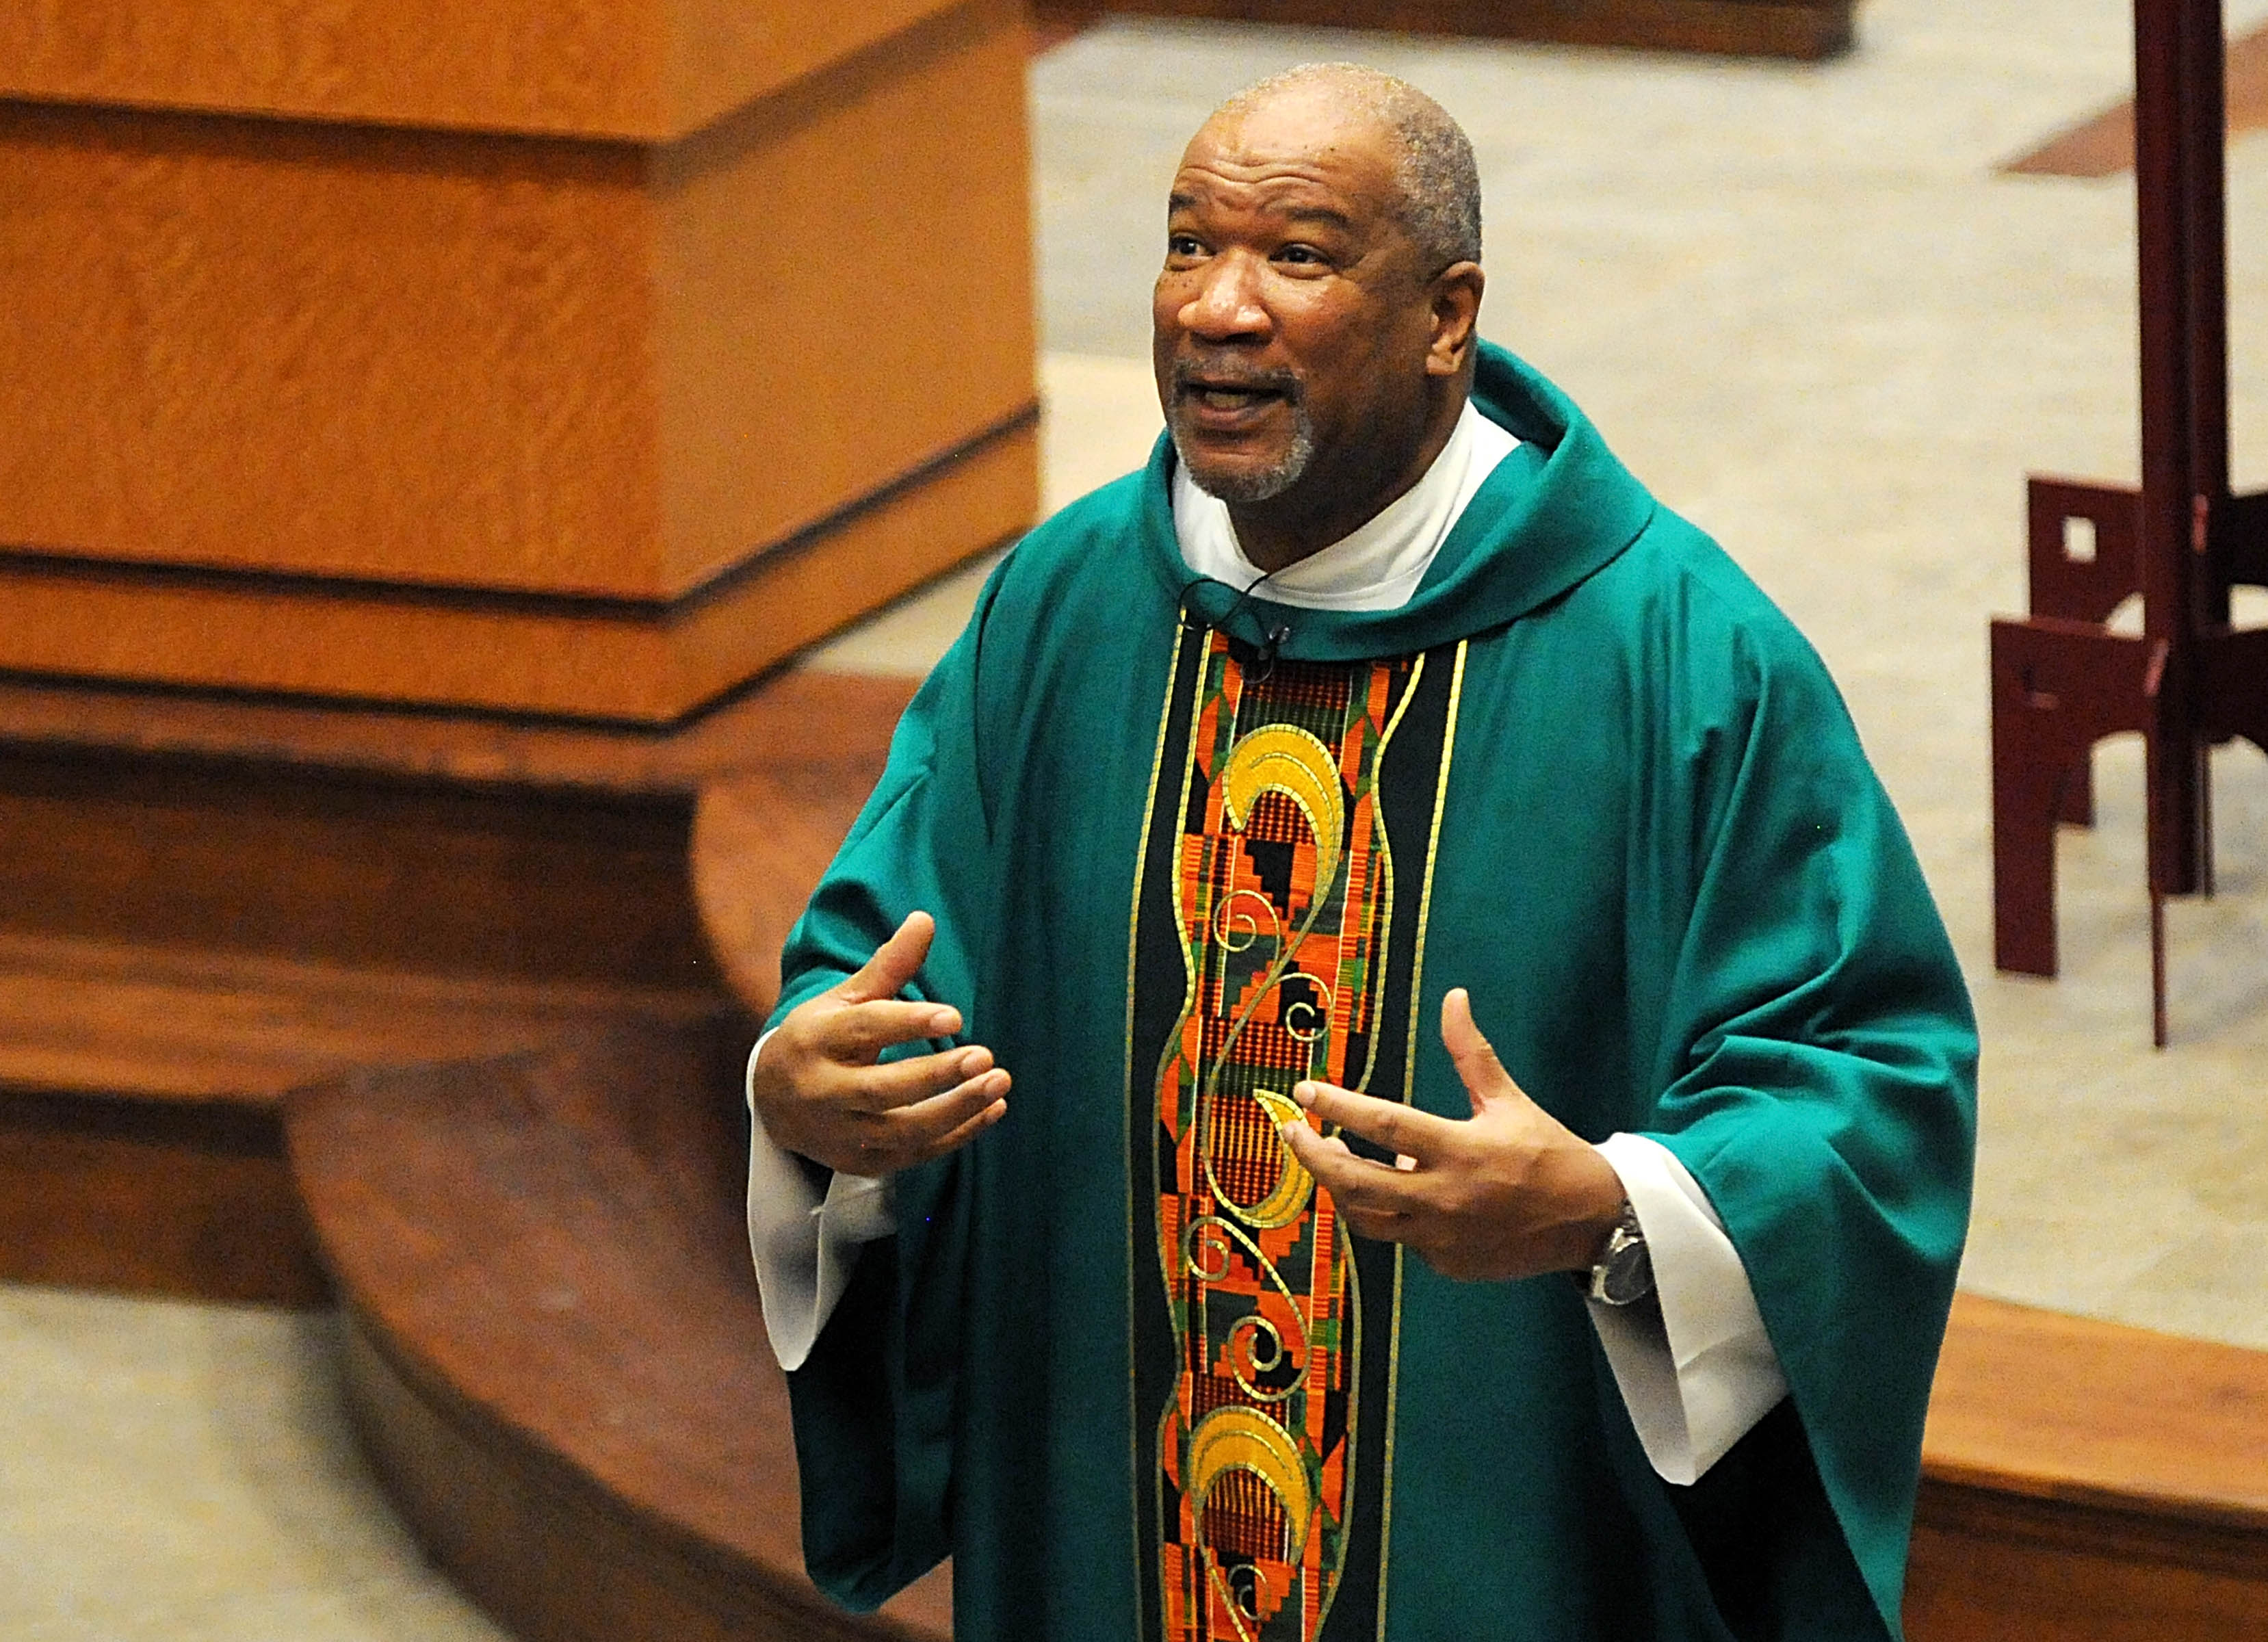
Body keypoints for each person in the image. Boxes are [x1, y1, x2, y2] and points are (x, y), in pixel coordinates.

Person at [745, 62, 1976, 1642]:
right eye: (1186, 246)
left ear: (1446, 318)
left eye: (1297, 257)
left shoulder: (1671, 655)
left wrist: (1612, 1208)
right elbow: (873, 977)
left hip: (1503, 1542)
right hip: (1113, 1526)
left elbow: (1865, 1083)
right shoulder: (1063, 609)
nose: (1217, 311)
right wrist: (807, 1099)